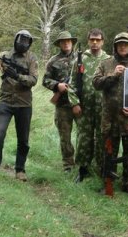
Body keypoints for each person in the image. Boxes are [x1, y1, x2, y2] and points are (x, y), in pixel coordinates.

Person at [0, 30, 38, 182]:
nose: (23, 43)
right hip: (5, 102)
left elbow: (33, 80)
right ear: (15, 40)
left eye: (26, 41)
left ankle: (20, 170)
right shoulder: (4, 56)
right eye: (21, 40)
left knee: (23, 139)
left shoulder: (31, 59)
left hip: (24, 104)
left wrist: (17, 76)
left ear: (30, 43)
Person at [93, 32, 128, 194]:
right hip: (110, 117)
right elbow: (96, 83)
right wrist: (113, 75)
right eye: (119, 44)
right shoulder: (106, 64)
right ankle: (108, 180)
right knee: (109, 150)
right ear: (115, 46)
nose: (122, 47)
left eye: (126, 44)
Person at [68, 28, 110, 182]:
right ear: (88, 41)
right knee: (84, 137)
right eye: (92, 39)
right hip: (84, 106)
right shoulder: (80, 60)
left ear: (102, 42)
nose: (94, 42)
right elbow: (71, 83)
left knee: (101, 137)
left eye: (98, 40)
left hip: (102, 107)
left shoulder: (108, 60)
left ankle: (102, 167)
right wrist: (75, 103)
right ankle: (83, 168)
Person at [42, 31, 78, 172]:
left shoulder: (81, 58)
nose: (66, 43)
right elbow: (45, 80)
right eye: (63, 41)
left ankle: (83, 163)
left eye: (68, 41)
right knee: (65, 136)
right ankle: (68, 164)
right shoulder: (53, 60)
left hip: (80, 103)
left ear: (72, 42)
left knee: (85, 135)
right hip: (62, 104)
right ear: (59, 44)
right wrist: (57, 86)